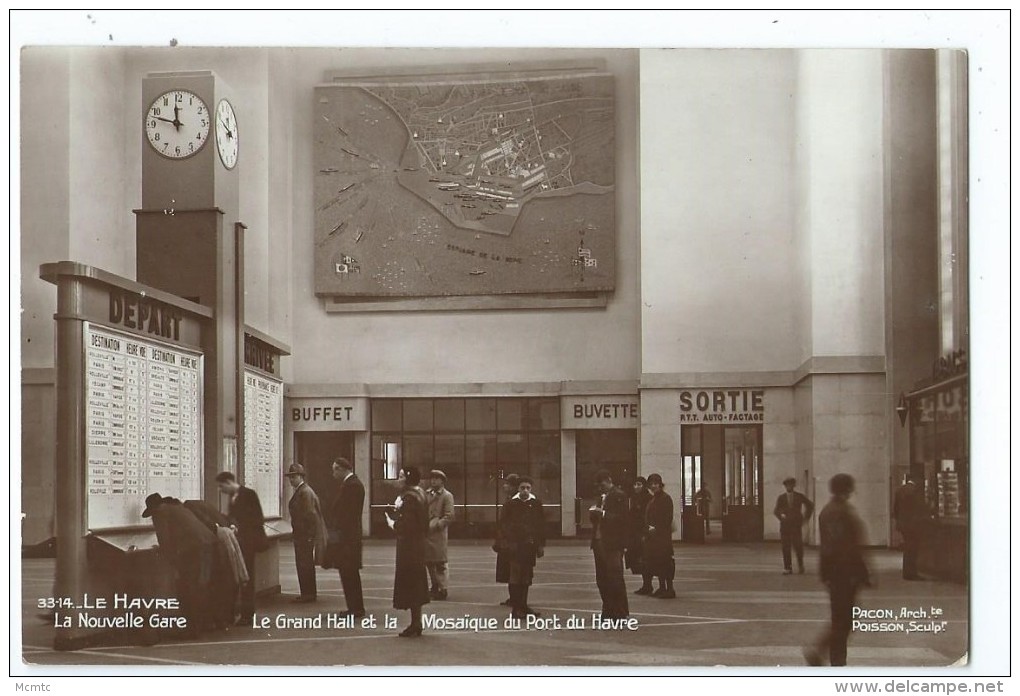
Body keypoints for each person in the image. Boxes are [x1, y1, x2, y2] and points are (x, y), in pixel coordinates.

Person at [804, 473, 871, 667]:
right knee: (845, 619)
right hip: (846, 572)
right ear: (847, 489)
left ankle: (829, 656)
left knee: (841, 617)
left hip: (833, 572)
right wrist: (862, 573)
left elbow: (828, 546)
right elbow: (850, 547)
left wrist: (825, 572)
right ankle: (828, 656)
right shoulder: (844, 512)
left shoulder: (826, 511)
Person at [142, 492, 217, 637]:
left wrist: (166, 556)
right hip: (208, 544)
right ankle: (206, 623)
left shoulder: (160, 511)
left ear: (153, 508)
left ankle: (192, 629)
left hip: (192, 549)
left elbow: (164, 539)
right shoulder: (177, 506)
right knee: (202, 584)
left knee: (187, 587)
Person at [215, 471, 268, 624]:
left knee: (247, 577)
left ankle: (247, 613)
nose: (220, 490)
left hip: (248, 542)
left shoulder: (248, 494)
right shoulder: (233, 497)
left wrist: (239, 527)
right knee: (238, 576)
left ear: (228, 482)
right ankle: (236, 611)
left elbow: (257, 518)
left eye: (221, 486)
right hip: (239, 542)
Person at [388, 466, 431, 637]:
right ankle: (416, 621)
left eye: (400, 476)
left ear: (407, 478)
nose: (398, 479)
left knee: (411, 583)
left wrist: (393, 524)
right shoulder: (420, 493)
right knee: (416, 583)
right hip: (418, 546)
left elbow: (407, 524)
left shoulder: (409, 498)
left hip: (409, 547)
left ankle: (415, 624)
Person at [324, 457, 366, 617]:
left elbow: (347, 514)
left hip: (348, 538)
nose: (333, 473)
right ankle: (354, 607)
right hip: (349, 537)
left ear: (342, 469)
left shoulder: (352, 486)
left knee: (349, 574)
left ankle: (356, 608)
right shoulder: (351, 484)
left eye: (334, 469)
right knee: (348, 574)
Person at [502, 475, 546, 619]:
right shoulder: (511, 504)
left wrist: (540, 545)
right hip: (515, 546)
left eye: (528, 488)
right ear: (518, 488)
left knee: (526, 576)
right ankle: (516, 608)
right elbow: (504, 525)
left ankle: (523, 605)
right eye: (522, 488)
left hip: (529, 546)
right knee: (516, 576)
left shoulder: (536, 504)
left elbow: (541, 525)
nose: (525, 491)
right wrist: (509, 542)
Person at [589, 469, 629, 620]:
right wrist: (594, 516)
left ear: (609, 480)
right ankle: (608, 609)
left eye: (602, 484)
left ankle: (620, 611)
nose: (601, 488)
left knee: (615, 577)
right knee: (602, 578)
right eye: (598, 486)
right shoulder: (602, 497)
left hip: (612, 543)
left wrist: (603, 514)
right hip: (599, 541)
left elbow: (623, 519)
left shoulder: (619, 495)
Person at [285, 463, 326, 603]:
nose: (291, 480)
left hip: (304, 535)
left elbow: (309, 515)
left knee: (304, 564)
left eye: (294, 476)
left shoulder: (304, 492)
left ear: (301, 476)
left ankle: (308, 594)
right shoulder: (303, 491)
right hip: (302, 535)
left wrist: (308, 535)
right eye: (290, 477)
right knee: (304, 563)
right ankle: (307, 592)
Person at [643, 473, 675, 598]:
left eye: (656, 483)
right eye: (651, 484)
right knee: (658, 563)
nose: (653, 486)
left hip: (662, 537)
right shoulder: (654, 499)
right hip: (654, 537)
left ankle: (669, 588)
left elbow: (667, 518)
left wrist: (656, 528)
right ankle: (662, 587)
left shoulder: (665, 498)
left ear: (660, 485)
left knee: (665, 562)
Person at [424, 469, 455, 600]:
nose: (433, 481)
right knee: (429, 562)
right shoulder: (426, 494)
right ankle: (435, 586)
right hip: (427, 533)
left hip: (438, 534)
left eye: (437, 478)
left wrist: (437, 524)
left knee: (440, 563)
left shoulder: (447, 496)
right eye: (432, 478)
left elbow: (449, 515)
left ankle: (443, 588)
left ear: (442, 481)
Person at [774, 476, 815, 574]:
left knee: (798, 546)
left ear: (793, 485)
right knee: (786, 547)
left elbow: (810, 505)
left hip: (796, 525)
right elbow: (776, 510)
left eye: (791, 484)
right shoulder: (781, 498)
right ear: (785, 486)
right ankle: (788, 567)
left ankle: (800, 565)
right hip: (785, 526)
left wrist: (805, 518)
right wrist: (781, 516)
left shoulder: (799, 496)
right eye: (787, 485)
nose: (789, 486)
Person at [893, 472, 928, 580]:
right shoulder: (915, 491)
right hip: (913, 524)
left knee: (908, 548)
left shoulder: (900, 490)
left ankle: (907, 572)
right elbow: (920, 508)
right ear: (917, 480)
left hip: (903, 524)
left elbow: (895, 509)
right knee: (913, 549)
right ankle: (911, 573)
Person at [494, 473, 520, 606]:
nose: (505, 486)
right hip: (506, 540)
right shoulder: (510, 499)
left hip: (511, 541)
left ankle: (516, 597)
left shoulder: (515, 501)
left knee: (513, 570)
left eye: (507, 484)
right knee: (509, 571)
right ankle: (513, 597)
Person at [627, 476, 654, 594]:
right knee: (640, 559)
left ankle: (648, 584)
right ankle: (646, 584)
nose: (636, 487)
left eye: (639, 484)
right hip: (635, 533)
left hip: (643, 533)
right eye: (635, 484)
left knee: (645, 559)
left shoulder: (648, 498)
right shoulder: (634, 498)